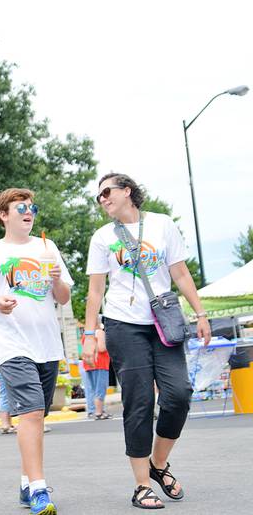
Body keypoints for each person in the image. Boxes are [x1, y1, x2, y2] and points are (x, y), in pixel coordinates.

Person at [83, 173, 211, 509]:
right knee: (138, 401)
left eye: (107, 192)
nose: (102, 199)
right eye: (98, 196)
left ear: (127, 191)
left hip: (163, 321)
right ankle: (142, 484)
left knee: (179, 393)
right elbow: (96, 290)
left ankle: (158, 462)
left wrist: (200, 314)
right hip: (123, 325)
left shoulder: (162, 224)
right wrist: (88, 332)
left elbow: (180, 273)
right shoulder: (102, 237)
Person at [0, 188, 73, 515]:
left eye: (32, 207)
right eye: (21, 207)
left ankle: (27, 482)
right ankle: (40, 490)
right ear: (4, 215)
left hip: (48, 345)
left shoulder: (47, 247)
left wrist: (56, 280)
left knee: (36, 419)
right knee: (30, 414)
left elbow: (64, 297)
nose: (29, 212)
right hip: (13, 347)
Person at [81, 326, 112, 420]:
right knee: (100, 388)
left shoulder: (86, 335)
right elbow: (102, 348)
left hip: (88, 364)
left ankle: (92, 411)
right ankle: (99, 412)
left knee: (91, 389)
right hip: (100, 363)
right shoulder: (99, 332)